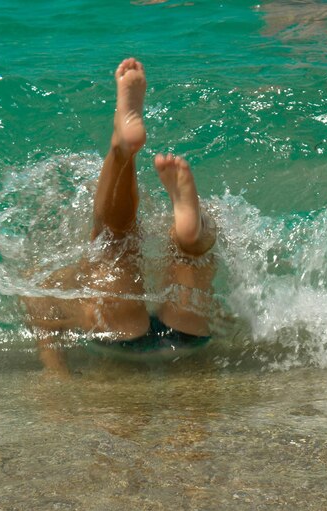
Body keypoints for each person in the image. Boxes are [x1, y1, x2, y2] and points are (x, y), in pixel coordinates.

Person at [24, 58, 217, 373]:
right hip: (188, 334)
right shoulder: (52, 275)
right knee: (193, 262)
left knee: (112, 242)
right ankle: (190, 238)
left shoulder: (45, 280)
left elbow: (48, 338)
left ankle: (122, 148)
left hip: (118, 335)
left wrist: (57, 375)